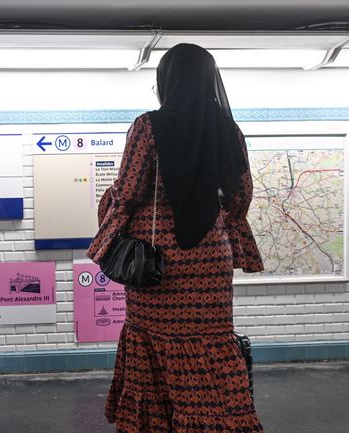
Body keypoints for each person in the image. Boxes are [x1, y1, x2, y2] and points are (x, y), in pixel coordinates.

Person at [86, 43, 265, 433]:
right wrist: (217, 226)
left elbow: (128, 191)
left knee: (151, 340)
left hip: (158, 260)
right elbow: (241, 195)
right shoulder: (229, 130)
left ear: (166, 80)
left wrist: (107, 229)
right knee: (211, 341)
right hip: (210, 261)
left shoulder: (148, 126)